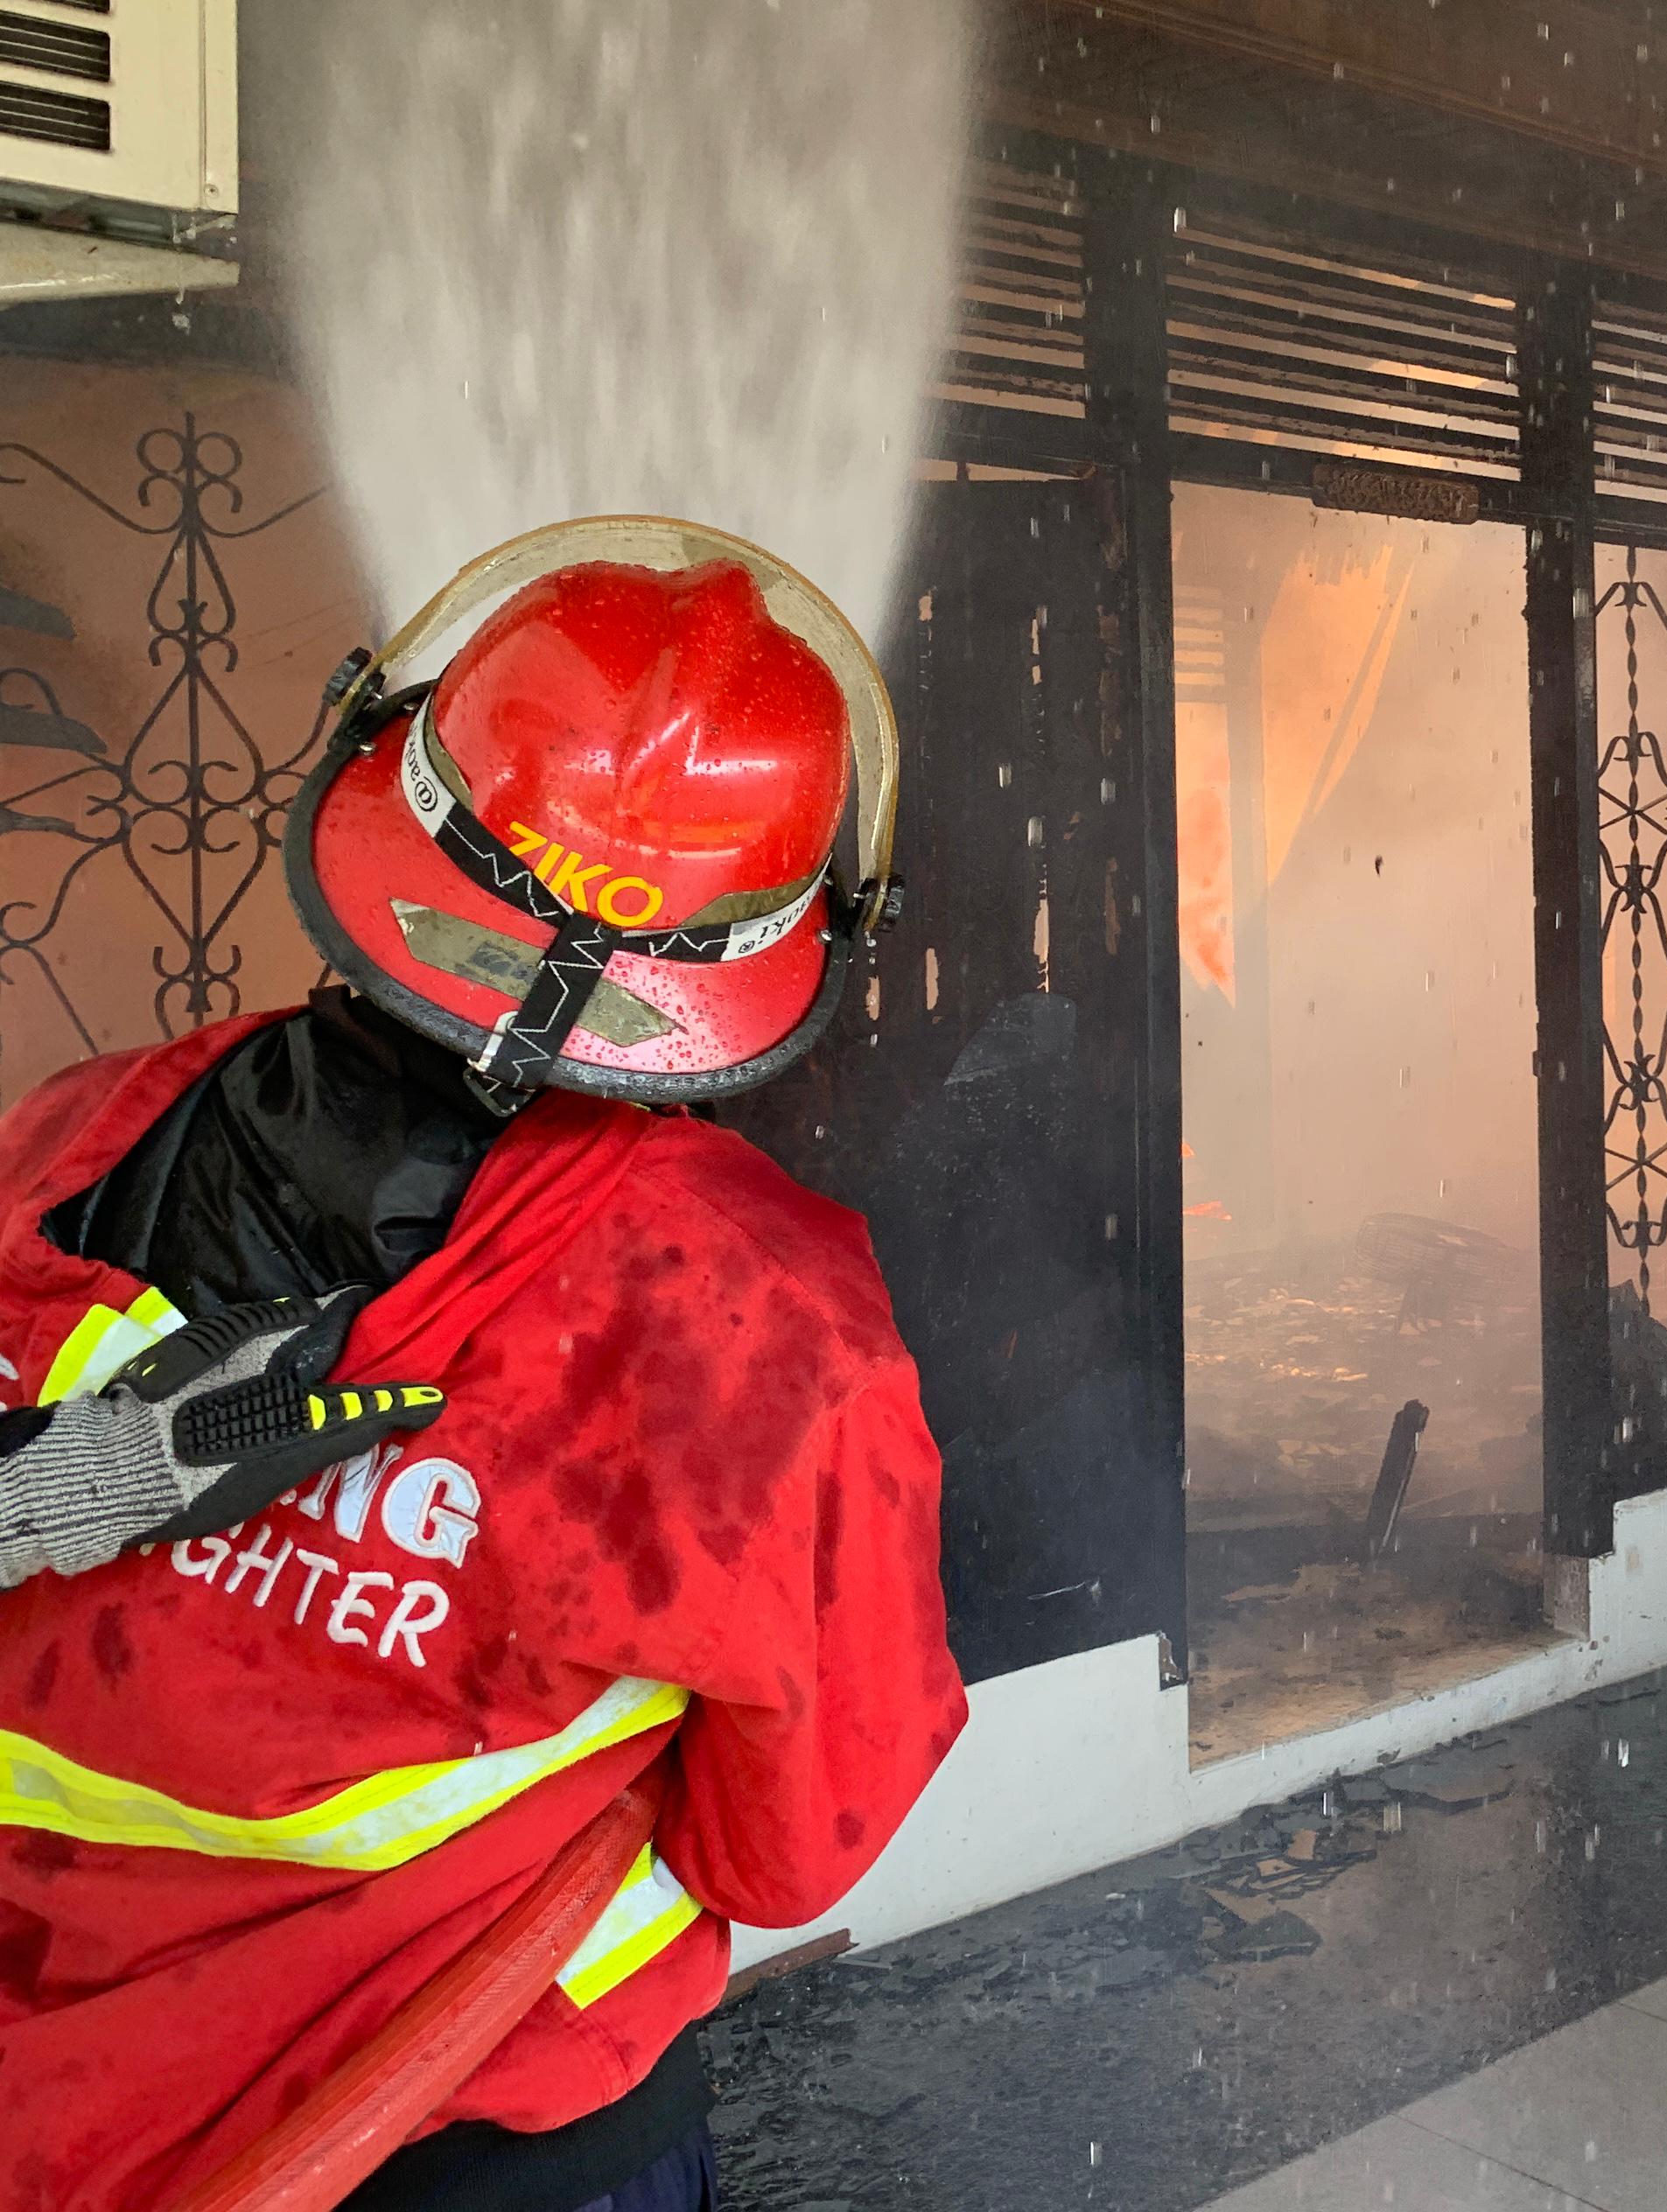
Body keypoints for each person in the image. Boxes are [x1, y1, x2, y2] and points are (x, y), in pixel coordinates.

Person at [0, 522, 964, 2212]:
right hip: (489, 2136)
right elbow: (787, 1843)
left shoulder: (61, 1145)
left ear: (389, 774)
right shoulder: (761, 1331)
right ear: (781, 940)